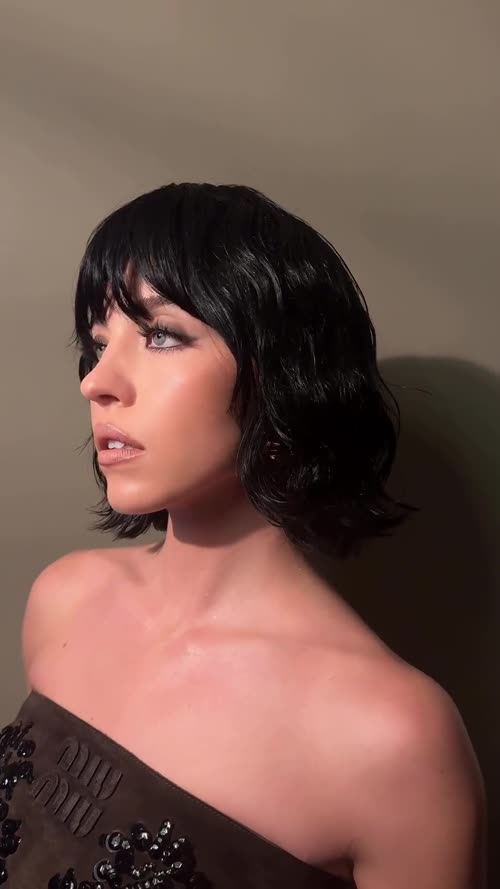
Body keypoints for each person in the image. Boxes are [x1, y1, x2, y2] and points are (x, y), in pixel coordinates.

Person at [4, 183, 485, 887]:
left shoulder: (392, 738)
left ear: (282, 372)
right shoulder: (65, 599)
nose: (97, 382)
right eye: (98, 344)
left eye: (161, 335)